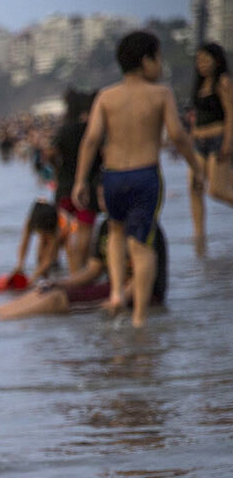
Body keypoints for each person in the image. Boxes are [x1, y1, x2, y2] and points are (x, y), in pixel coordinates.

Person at [72, 30, 201, 326]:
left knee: (116, 232)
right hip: (145, 176)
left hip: (113, 177)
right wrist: (196, 165)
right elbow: (179, 136)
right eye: (159, 58)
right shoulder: (160, 93)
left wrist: (81, 180)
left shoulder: (106, 96)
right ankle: (140, 316)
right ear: (146, 60)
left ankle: (117, 292)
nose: (160, 65)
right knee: (142, 246)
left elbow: (91, 140)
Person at [0, 218, 166, 322]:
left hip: (140, 295)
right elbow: (93, 270)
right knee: (46, 290)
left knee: (56, 300)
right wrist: (61, 282)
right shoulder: (107, 227)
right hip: (114, 287)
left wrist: (118, 300)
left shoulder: (145, 226)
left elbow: (143, 276)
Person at [188, 42, 233, 255]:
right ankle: (199, 238)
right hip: (199, 142)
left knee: (217, 190)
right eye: (199, 60)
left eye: (206, 60)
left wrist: (228, 142)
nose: (202, 64)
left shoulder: (223, 82)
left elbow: (230, 113)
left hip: (218, 139)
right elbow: (196, 116)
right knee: (194, 187)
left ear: (217, 60)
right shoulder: (199, 85)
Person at [51, 89, 101, 272]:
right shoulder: (93, 130)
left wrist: (57, 169)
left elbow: (50, 153)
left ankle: (72, 271)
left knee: (66, 231)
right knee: (86, 230)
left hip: (64, 187)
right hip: (88, 187)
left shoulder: (64, 130)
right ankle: (84, 269)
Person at [11, 200, 63, 283]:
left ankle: (51, 279)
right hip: (47, 221)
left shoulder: (54, 228)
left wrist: (32, 278)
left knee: (50, 259)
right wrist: (20, 265)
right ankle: (44, 279)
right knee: (40, 257)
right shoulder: (31, 220)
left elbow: (48, 259)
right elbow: (24, 243)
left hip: (66, 229)